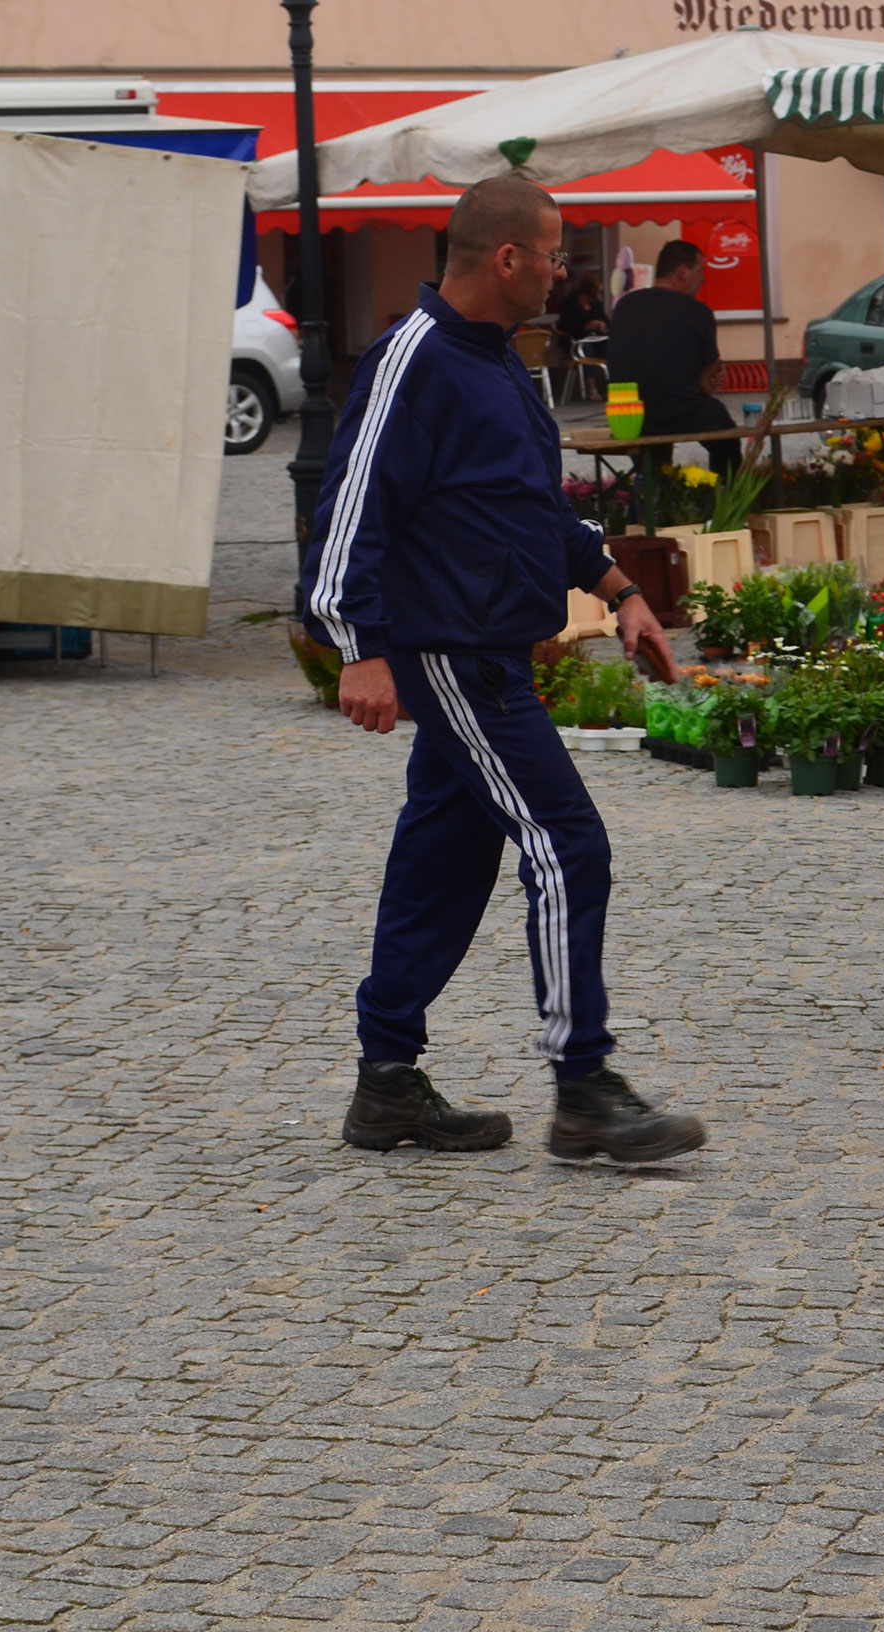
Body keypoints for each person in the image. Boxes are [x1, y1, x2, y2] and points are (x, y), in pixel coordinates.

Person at [299, 175, 707, 1164]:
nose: (563, 272)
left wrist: (620, 589)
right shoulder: (412, 358)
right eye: (555, 253)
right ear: (509, 258)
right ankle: (584, 1086)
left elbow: (536, 509)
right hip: (454, 654)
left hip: (492, 648)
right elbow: (347, 508)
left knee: (443, 860)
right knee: (567, 844)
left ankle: (386, 1082)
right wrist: (359, 649)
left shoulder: (504, 365)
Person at [607, 240, 737, 476]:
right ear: (683, 272)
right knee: (723, 429)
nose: (703, 279)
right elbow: (707, 384)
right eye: (700, 270)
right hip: (680, 413)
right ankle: (730, 489)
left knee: (653, 448)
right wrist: (714, 374)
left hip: (629, 416)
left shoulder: (624, 305)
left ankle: (653, 484)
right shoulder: (699, 312)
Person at [558, 273, 609, 340]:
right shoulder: (570, 304)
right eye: (598, 292)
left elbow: (607, 322)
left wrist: (602, 324)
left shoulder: (596, 304)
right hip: (576, 339)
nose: (599, 296)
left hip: (596, 338)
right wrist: (586, 327)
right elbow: (565, 327)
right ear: (590, 290)